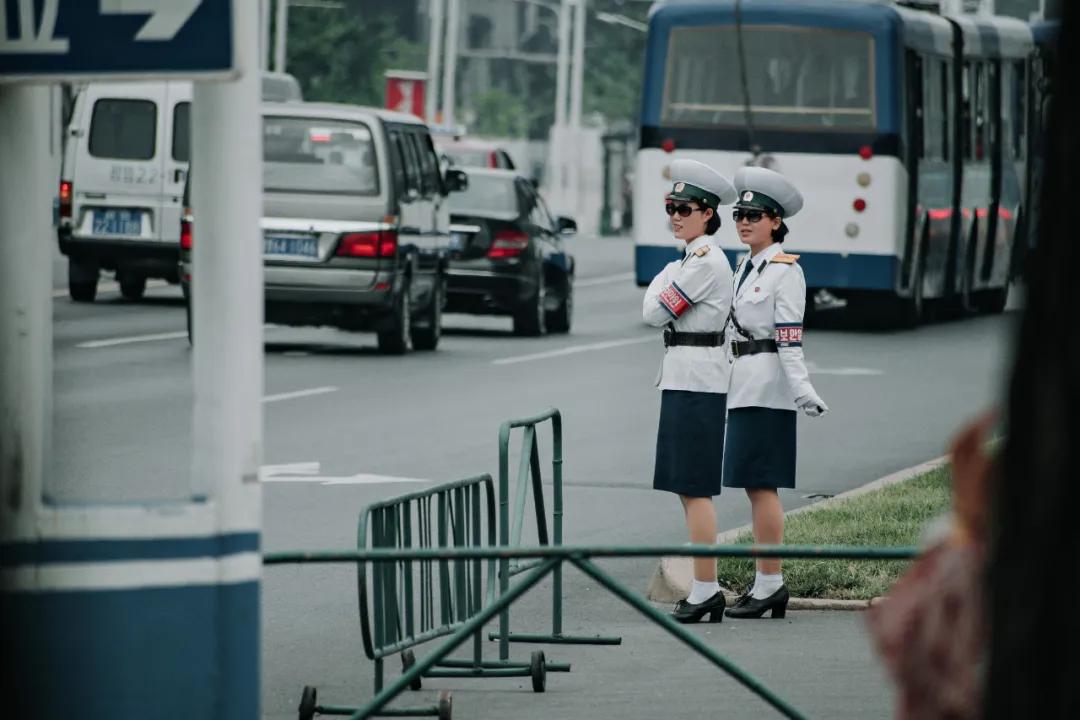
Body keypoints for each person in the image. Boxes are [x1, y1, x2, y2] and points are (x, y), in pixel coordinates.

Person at [722, 166, 828, 620]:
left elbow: (789, 339)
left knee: (762, 487)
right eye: (740, 214)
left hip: (768, 388)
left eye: (756, 215)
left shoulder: (786, 272)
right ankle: (767, 583)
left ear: (776, 222)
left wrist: (803, 391)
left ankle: (771, 584)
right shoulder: (746, 264)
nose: (745, 222)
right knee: (753, 484)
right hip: (743, 383)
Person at [642, 158, 738, 624]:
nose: (676, 215)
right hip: (684, 376)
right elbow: (657, 307)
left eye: (686, 208)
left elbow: (654, 313)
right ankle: (705, 590)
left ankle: (706, 590)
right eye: (671, 207)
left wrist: (663, 281)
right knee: (685, 487)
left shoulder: (704, 262)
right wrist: (665, 279)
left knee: (696, 488)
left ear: (708, 214)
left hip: (698, 381)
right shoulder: (687, 260)